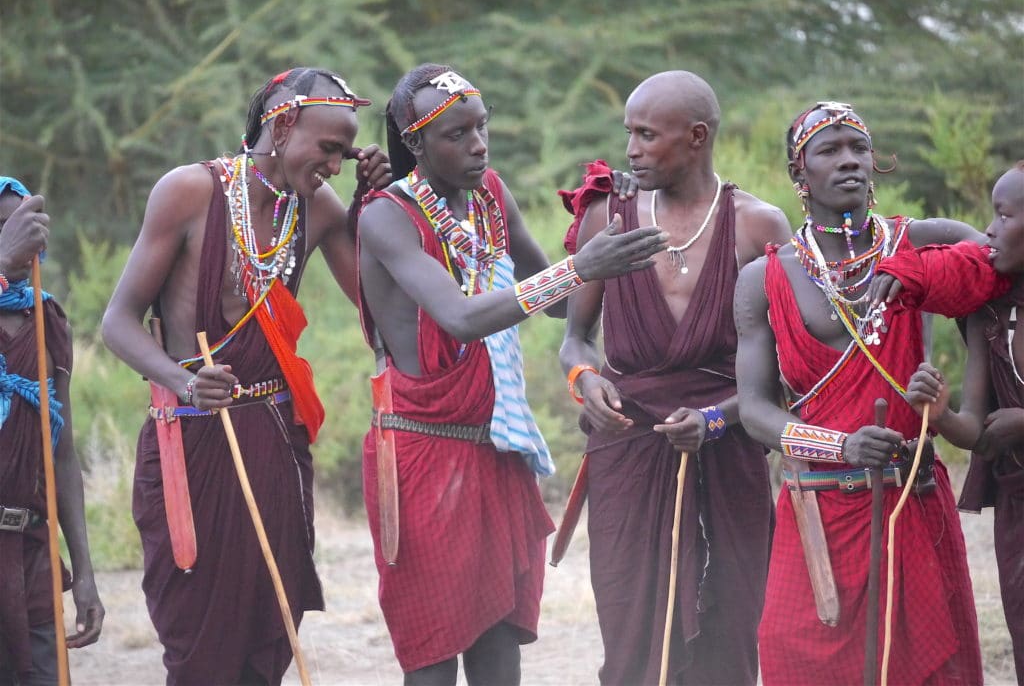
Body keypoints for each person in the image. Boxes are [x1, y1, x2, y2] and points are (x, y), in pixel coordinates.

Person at [356, 63, 667, 686]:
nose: (478, 145)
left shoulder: (491, 196)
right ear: (415, 144)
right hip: (423, 455)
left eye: (482, 127)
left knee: (501, 644)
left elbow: (553, 301)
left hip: (498, 450)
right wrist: (580, 266)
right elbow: (461, 317)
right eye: (457, 135)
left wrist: (612, 222)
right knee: (434, 650)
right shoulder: (385, 217)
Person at [101, 67, 390, 685]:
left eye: (346, 152)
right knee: (200, 649)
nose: (336, 165)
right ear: (283, 126)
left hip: (273, 443)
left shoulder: (318, 208)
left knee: (269, 634)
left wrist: (375, 206)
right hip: (192, 440)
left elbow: (381, 312)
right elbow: (118, 323)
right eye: (329, 148)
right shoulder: (188, 192)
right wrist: (183, 380)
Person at [734, 100, 992, 685]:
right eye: (829, 151)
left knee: (921, 671)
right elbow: (753, 410)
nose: (849, 161)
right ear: (800, 176)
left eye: (859, 148)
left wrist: (962, 410)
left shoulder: (923, 243)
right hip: (816, 512)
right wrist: (841, 447)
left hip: (910, 500)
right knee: (793, 657)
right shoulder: (763, 278)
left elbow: (996, 265)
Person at [557, 70, 792, 685]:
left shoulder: (757, 228)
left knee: (729, 628)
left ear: (695, 136)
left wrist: (714, 420)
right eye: (627, 133)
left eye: (645, 135)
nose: (630, 149)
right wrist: (585, 378)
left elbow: (780, 377)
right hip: (628, 453)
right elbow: (575, 339)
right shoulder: (607, 220)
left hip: (729, 458)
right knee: (630, 628)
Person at [889, 161, 1024, 683]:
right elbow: (978, 431)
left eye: (1005, 214)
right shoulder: (990, 312)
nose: (988, 229)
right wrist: (939, 411)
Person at [0, 178, 104, 685]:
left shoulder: (46, 319)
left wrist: (83, 572)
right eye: (3, 227)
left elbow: (61, 454)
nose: (19, 238)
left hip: (31, 550)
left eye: (24, 225)